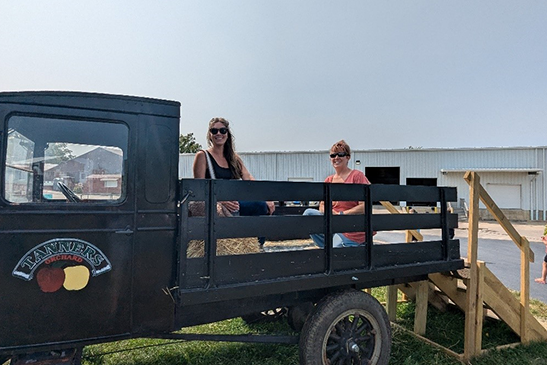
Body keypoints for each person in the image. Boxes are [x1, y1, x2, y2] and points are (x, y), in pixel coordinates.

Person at [192, 117, 275, 244]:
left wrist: (265, 197)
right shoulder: (203, 156)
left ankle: (255, 248)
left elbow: (249, 178)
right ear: (209, 135)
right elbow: (199, 188)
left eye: (222, 130)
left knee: (260, 205)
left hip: (234, 203)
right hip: (215, 205)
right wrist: (220, 200)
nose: (218, 134)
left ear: (227, 134)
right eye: (214, 131)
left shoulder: (234, 158)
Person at [303, 140, 370, 248]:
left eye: (341, 154)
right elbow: (322, 205)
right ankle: (328, 246)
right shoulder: (329, 180)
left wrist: (342, 215)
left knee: (335, 251)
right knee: (308, 214)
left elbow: (365, 206)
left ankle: (339, 246)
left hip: (351, 228)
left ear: (348, 157)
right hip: (334, 224)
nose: (336, 157)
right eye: (333, 155)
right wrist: (330, 213)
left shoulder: (357, 176)